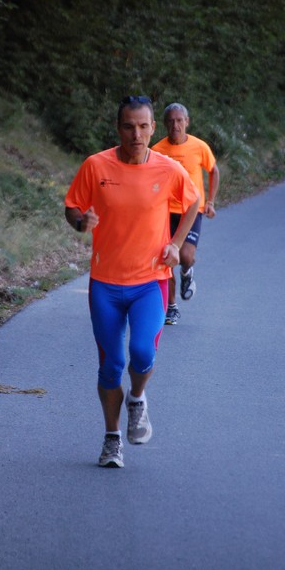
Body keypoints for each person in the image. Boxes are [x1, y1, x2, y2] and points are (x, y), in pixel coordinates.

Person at [65, 96, 199, 468]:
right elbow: (72, 205)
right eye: (128, 126)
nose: (136, 134)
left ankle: (137, 400)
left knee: (142, 353)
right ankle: (112, 439)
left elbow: (192, 202)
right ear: (118, 128)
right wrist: (81, 222)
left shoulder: (168, 169)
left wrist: (176, 244)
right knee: (111, 365)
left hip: (149, 281)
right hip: (106, 284)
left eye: (143, 126)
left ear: (153, 128)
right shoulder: (96, 165)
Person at [152, 103, 220, 324]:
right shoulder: (157, 150)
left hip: (192, 210)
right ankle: (171, 307)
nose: (175, 125)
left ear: (187, 122)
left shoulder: (199, 147)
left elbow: (213, 170)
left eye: (180, 120)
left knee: (186, 256)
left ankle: (187, 273)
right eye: (171, 121)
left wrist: (210, 201)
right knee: (167, 257)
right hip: (164, 211)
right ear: (164, 124)